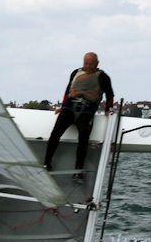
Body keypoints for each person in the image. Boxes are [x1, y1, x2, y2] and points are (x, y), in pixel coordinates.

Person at [43, 52, 114, 182]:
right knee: (55, 133)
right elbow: (68, 90)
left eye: (90, 64)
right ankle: (46, 163)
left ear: (97, 64)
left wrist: (108, 109)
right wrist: (62, 106)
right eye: (85, 63)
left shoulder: (103, 77)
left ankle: (78, 171)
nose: (87, 66)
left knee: (83, 139)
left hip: (87, 110)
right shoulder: (76, 72)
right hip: (69, 108)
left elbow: (110, 94)